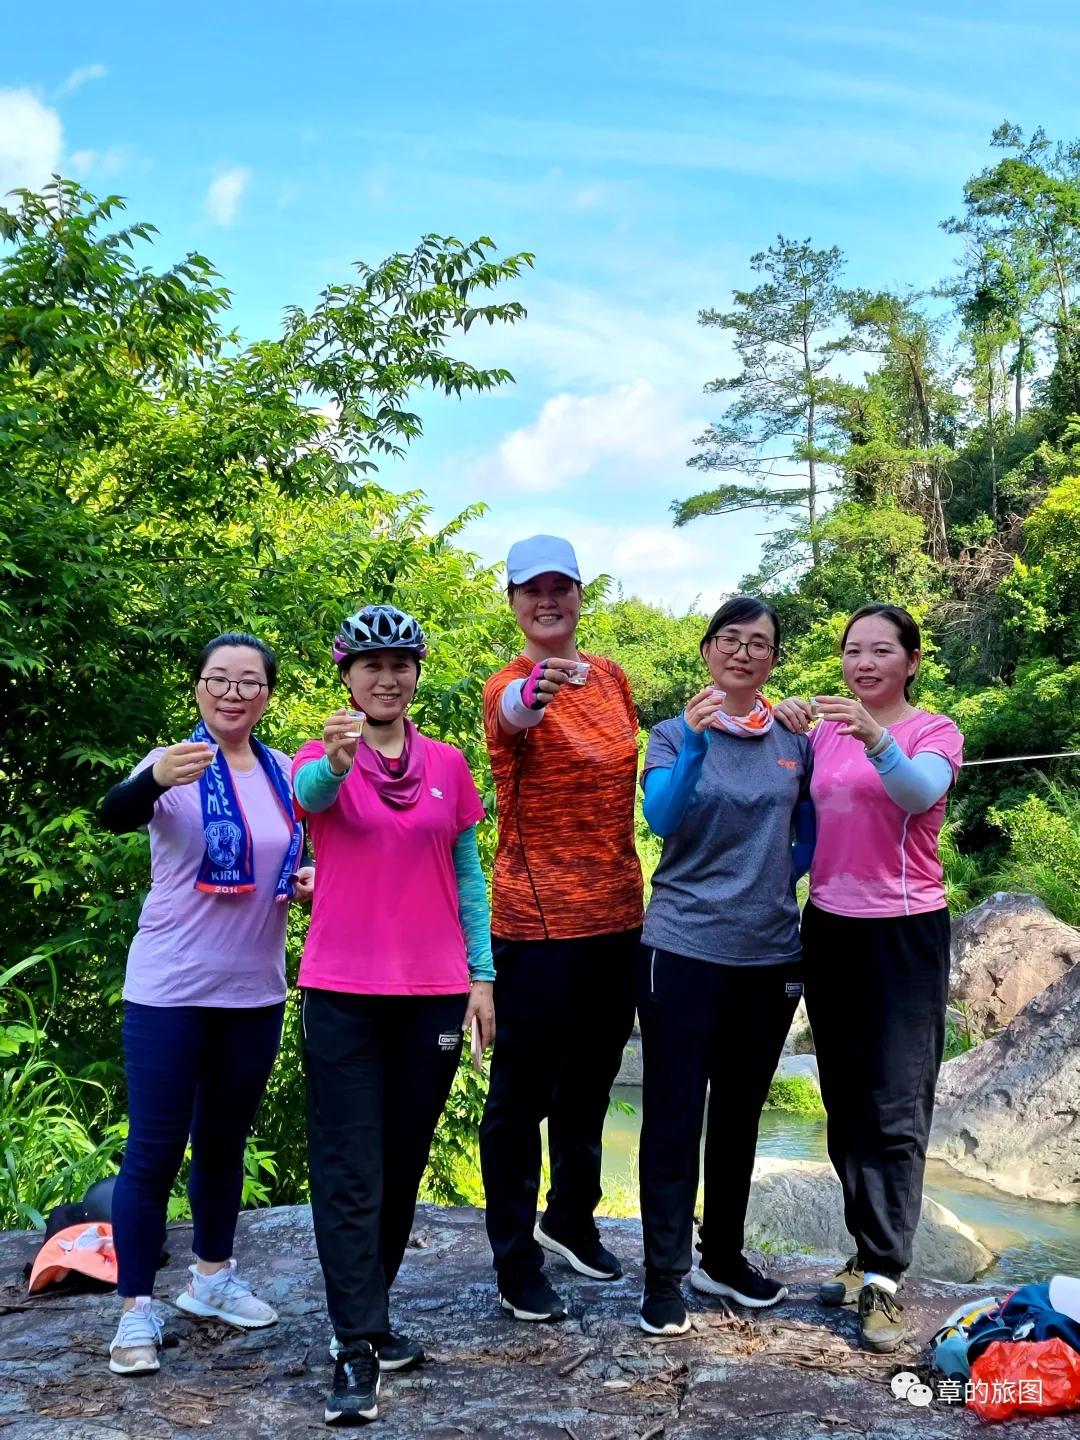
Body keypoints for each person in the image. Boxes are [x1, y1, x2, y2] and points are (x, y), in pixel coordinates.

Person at [293, 604, 495, 1427]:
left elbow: (469, 877)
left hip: (434, 993)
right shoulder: (323, 754)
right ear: (347, 675)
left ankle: (368, 1318)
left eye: (400, 664)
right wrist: (338, 764)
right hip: (342, 992)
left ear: (415, 674)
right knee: (348, 1168)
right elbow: (308, 797)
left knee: (402, 1164)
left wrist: (482, 975)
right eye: (370, 664)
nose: (386, 677)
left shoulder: (448, 763)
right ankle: (354, 1344)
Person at [100, 633, 313, 1377]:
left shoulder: (287, 773)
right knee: (154, 1151)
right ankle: (134, 1312)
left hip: (253, 992)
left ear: (266, 695)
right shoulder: (174, 764)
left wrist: (306, 878)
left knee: (223, 1145)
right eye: (217, 679)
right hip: (167, 990)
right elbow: (114, 813)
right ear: (198, 688)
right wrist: (153, 777)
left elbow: (285, 858)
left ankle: (211, 1279)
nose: (232, 692)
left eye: (248, 682)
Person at [773, 603, 964, 1354]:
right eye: (853, 651)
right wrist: (783, 716)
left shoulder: (932, 732)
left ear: (911, 661)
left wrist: (877, 737)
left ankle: (886, 1273)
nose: (865, 663)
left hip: (904, 929)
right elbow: (794, 797)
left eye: (882, 651)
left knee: (894, 1100)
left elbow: (918, 792)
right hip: (830, 923)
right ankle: (862, 1251)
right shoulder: (824, 731)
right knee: (844, 1097)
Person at [636, 596, 814, 1337]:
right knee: (674, 1113)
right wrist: (705, 743)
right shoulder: (673, 734)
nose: (744, 653)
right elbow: (662, 818)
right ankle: (664, 1275)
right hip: (681, 948)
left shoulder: (794, 738)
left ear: (774, 659)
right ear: (707, 650)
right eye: (731, 640)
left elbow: (811, 830)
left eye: (760, 643)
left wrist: (776, 873)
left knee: (740, 1112)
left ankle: (724, 1257)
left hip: (769, 952)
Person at [479, 535, 644, 1324]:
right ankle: (515, 1260)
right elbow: (514, 717)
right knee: (520, 1097)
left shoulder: (612, 676)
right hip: (537, 922)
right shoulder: (507, 684)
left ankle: (570, 1218)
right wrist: (538, 689)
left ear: (581, 593)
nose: (548, 600)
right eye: (531, 589)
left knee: (592, 1082)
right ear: (512, 601)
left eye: (562, 587)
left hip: (618, 912)